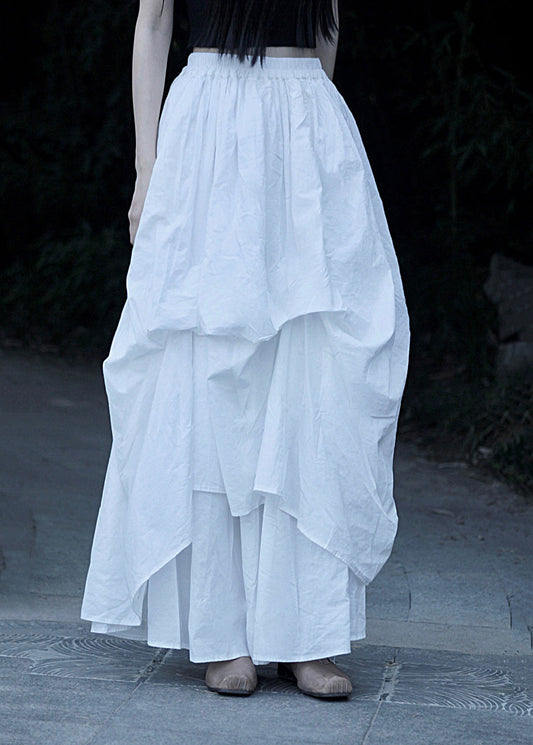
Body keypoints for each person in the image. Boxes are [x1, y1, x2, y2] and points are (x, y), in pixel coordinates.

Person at [80, 0, 410, 700]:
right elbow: (152, 22)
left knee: (313, 369)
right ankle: (222, 631)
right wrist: (147, 168)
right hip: (209, 122)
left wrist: (301, 127)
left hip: (305, 121)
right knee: (211, 370)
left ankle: (307, 635)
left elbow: (327, 21)